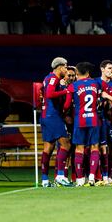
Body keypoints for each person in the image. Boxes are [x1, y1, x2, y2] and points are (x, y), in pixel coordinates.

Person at [64, 62, 101, 186]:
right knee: (94, 147)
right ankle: (91, 177)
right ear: (88, 73)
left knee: (79, 149)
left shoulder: (73, 86)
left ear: (77, 73)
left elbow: (67, 105)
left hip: (80, 121)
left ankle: (80, 180)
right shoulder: (96, 83)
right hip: (94, 120)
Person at [40, 57, 73, 187]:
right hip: (52, 116)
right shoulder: (53, 78)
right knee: (66, 145)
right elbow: (49, 94)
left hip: (46, 116)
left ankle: (45, 179)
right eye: (65, 67)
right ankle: (60, 176)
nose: (66, 69)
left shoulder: (48, 78)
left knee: (48, 147)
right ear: (60, 67)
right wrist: (66, 90)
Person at [94, 60, 112, 184]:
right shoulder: (95, 83)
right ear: (102, 69)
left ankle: (107, 176)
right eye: (108, 68)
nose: (111, 70)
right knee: (96, 147)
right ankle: (96, 175)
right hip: (97, 119)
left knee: (110, 149)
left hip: (110, 121)